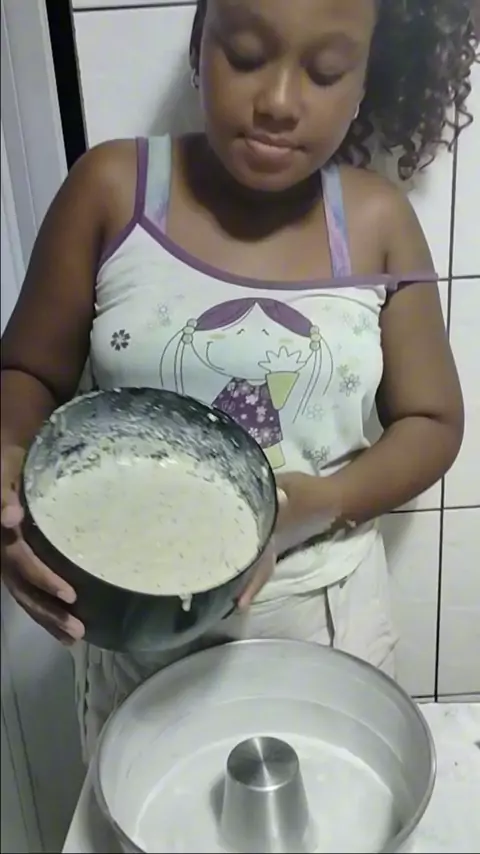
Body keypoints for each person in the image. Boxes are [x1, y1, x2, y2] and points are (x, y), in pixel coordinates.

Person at [1, 0, 477, 762]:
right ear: (200, 47)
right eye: (247, 55)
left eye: (326, 72)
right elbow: (26, 372)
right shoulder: (112, 189)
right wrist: (8, 474)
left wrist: (325, 502)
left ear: (365, 82)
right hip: (138, 628)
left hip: (321, 618)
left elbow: (433, 421)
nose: (279, 102)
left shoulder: (376, 222)